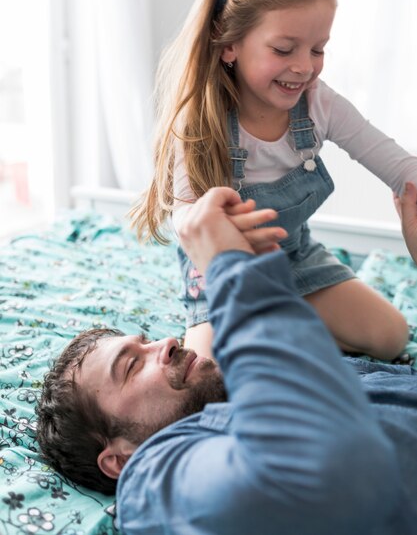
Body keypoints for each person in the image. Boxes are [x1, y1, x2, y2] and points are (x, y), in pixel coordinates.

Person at [36, 185, 417, 534]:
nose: (166, 342)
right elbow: (326, 461)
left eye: (147, 342)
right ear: (119, 460)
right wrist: (232, 268)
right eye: (132, 366)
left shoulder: (234, 392)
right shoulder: (156, 481)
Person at [130, 0, 416, 361]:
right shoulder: (200, 121)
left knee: (392, 336)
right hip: (221, 270)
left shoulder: (320, 105)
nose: (304, 66)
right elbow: (186, 221)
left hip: (295, 258)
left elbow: (401, 168)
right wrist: (211, 226)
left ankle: (288, 321)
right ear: (229, 43)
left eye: (318, 48)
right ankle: (281, 329)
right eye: (284, 49)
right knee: (208, 374)